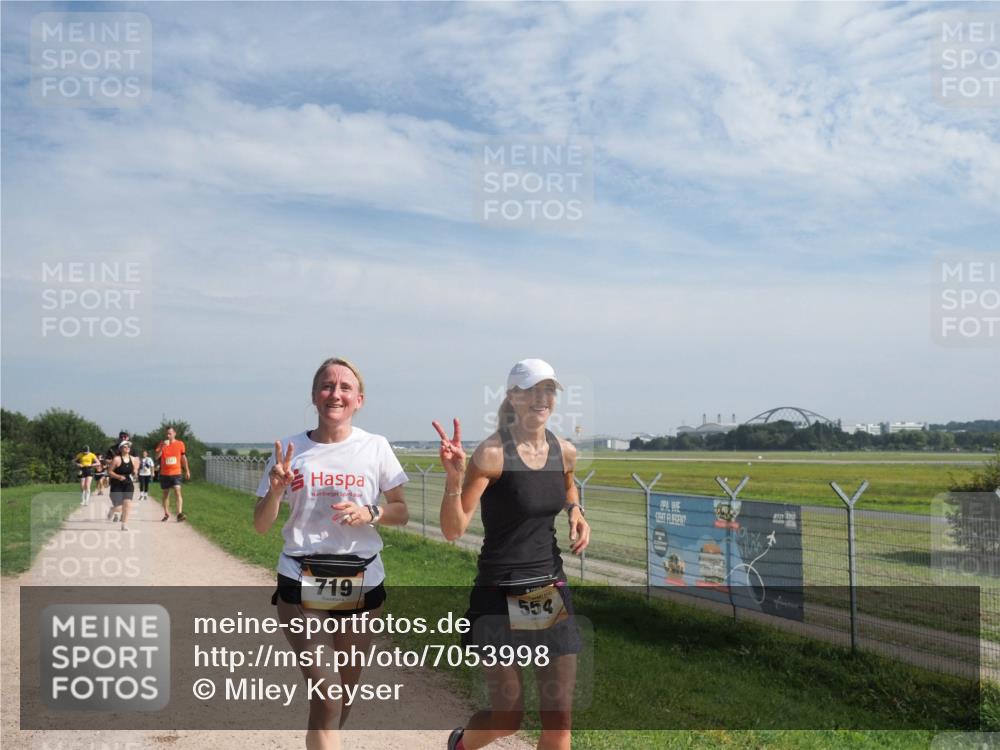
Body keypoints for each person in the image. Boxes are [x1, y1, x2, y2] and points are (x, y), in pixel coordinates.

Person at [433, 359, 591, 750]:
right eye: (532, 390)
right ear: (513, 397)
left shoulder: (564, 451)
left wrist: (576, 510)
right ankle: (462, 744)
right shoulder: (492, 453)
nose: (542, 399)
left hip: (546, 590)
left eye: (549, 390)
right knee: (508, 715)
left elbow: (567, 487)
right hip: (500, 594)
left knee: (559, 721)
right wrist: (454, 479)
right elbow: (454, 528)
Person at [254, 357, 409, 750]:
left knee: (344, 693)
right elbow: (260, 525)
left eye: (344, 387)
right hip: (300, 576)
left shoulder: (375, 447)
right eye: (326, 386)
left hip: (360, 578)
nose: (335, 393)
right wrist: (275, 490)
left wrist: (370, 512)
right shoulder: (291, 450)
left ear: (359, 399)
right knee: (327, 693)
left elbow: (401, 511)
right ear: (313, 396)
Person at [156, 426, 190, 521]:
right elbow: (156, 457)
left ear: (174, 434)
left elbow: (183, 458)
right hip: (165, 473)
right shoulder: (162, 444)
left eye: (170, 434)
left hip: (176, 472)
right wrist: (162, 447)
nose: (168, 435)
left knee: (177, 491)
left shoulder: (180, 444)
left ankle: (179, 513)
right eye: (167, 434)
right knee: (166, 494)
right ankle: (166, 513)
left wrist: (187, 470)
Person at [108, 440, 137, 530]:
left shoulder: (132, 458)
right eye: (125, 446)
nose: (127, 448)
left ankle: (124, 524)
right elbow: (109, 472)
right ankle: (112, 510)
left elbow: (135, 468)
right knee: (119, 507)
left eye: (128, 446)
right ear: (120, 449)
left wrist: (135, 472)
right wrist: (118, 476)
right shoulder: (117, 459)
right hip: (116, 483)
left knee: (127, 505)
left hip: (128, 483)